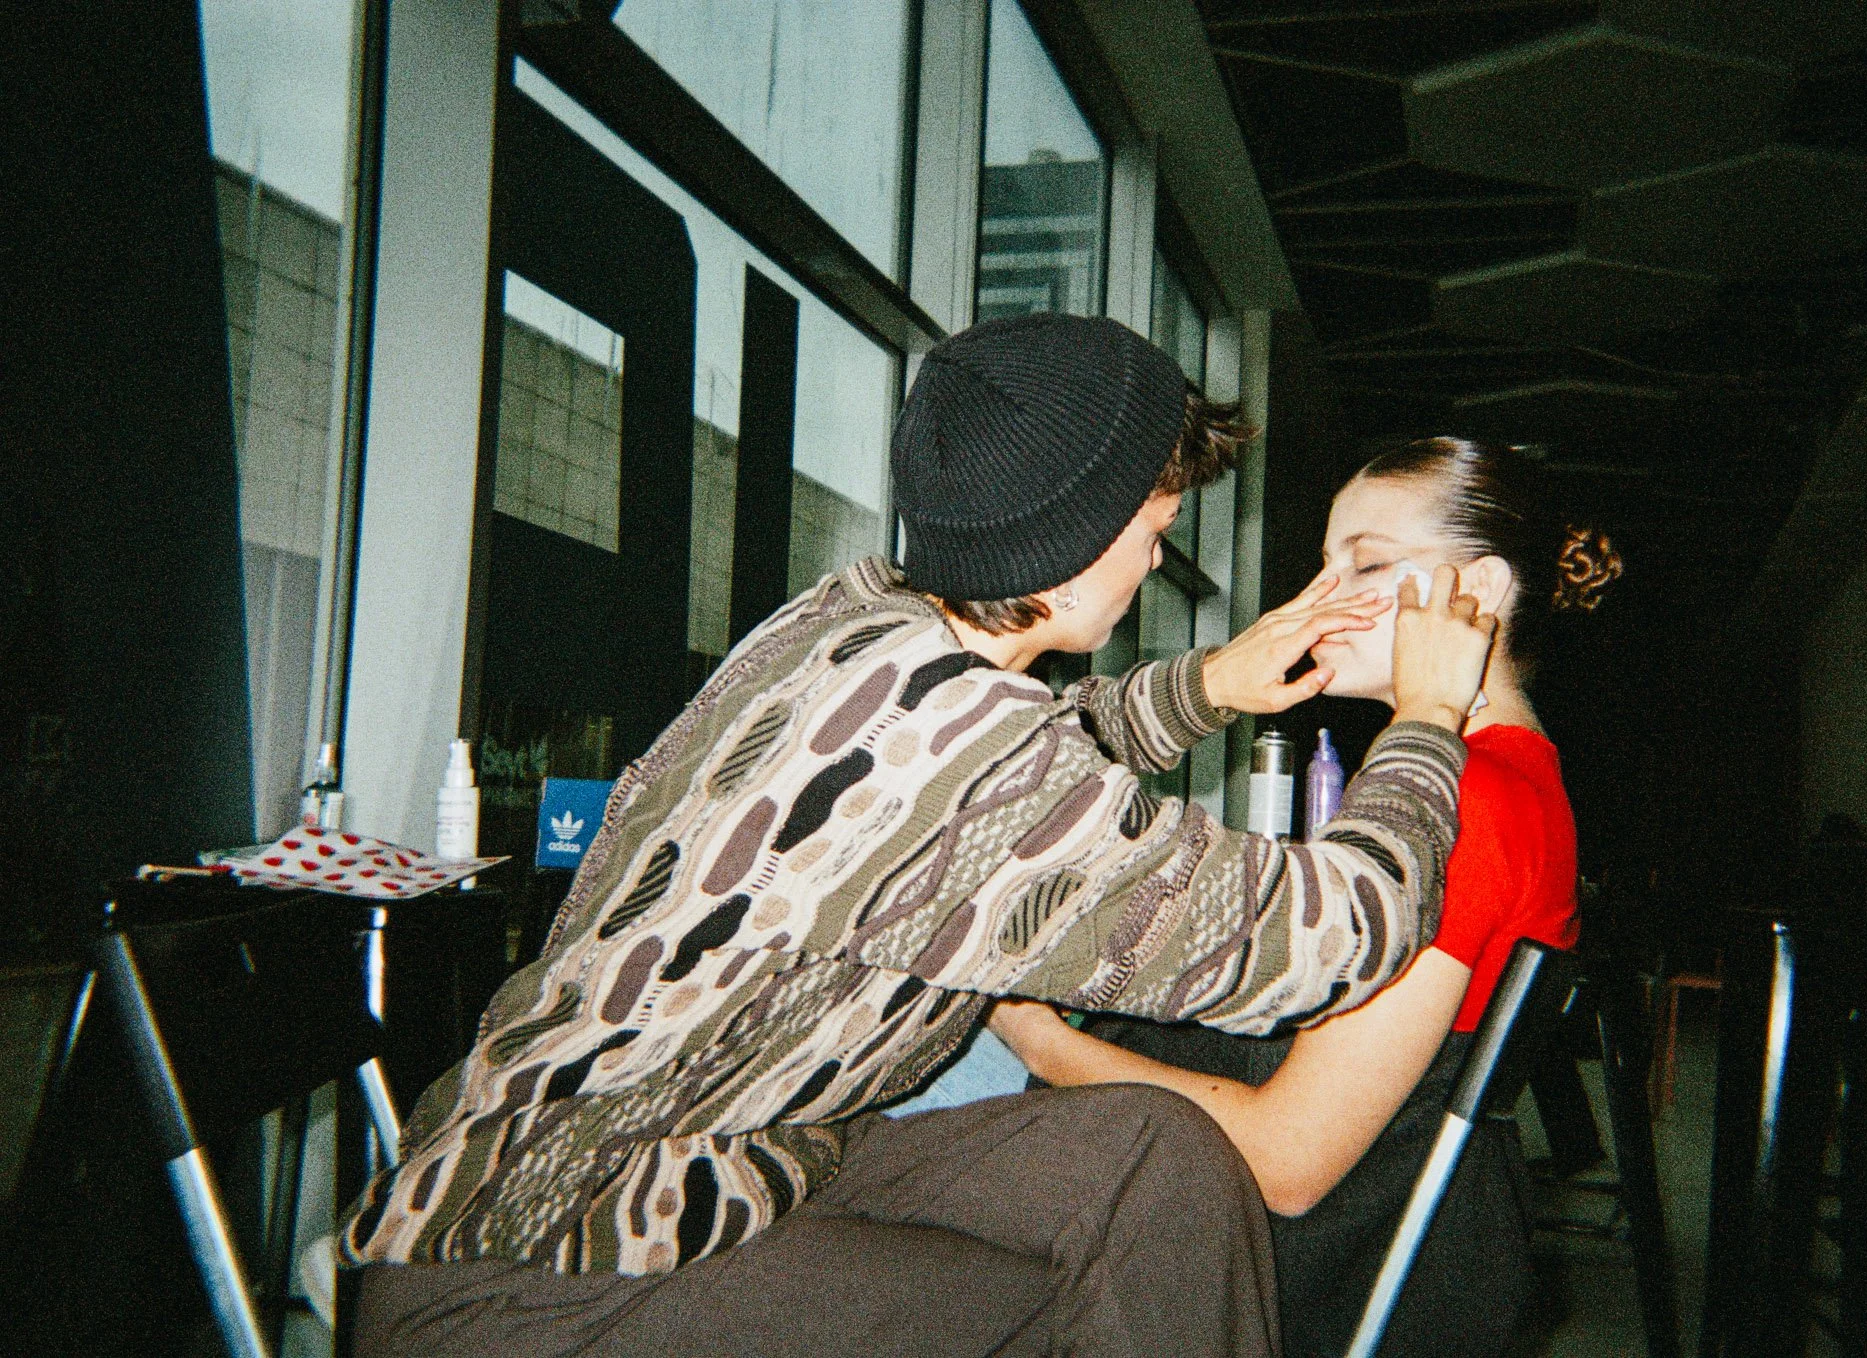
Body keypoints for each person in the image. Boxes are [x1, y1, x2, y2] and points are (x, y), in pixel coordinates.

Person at [342, 317, 1500, 1358]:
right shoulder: (969, 757)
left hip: (726, 1155)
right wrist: (1428, 717)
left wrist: (1206, 687)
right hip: (541, 1272)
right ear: (1080, 528)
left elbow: (1025, 753)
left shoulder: (857, 618)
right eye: (1152, 520)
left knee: (1159, 1154)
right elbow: (1333, 933)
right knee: (1085, 1309)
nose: (1157, 550)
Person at [993, 436, 1622, 1357]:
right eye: (1326, 563)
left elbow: (1288, 1160)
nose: (1321, 597)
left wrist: (1042, 1040)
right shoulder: (1501, 775)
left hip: (1296, 1256)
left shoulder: (1470, 801)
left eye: (1366, 564)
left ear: (1478, 594)